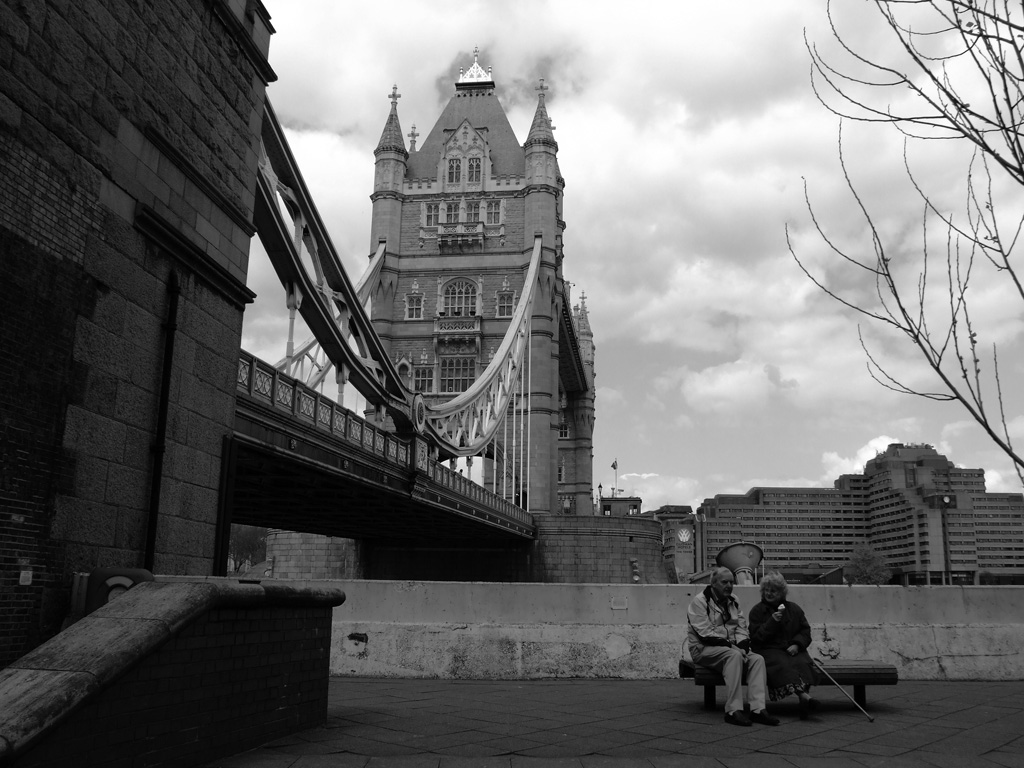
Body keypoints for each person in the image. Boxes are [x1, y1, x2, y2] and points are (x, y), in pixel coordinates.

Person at [686, 566, 780, 727]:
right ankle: (733, 710)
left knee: (757, 659)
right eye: (724, 582)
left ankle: (758, 709)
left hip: (730, 649)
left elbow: (741, 628)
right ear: (713, 583)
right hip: (702, 648)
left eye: (731, 582)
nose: (729, 586)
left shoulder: (734, 601)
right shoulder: (700, 601)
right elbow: (705, 634)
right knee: (733, 656)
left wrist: (743, 647)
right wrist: (733, 648)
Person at [749, 572, 819, 719]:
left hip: (791, 648)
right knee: (781, 664)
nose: (769, 593)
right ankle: (803, 696)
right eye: (766, 590)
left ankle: (803, 698)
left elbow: (805, 631)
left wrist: (797, 644)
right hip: (769, 650)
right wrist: (771, 622)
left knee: (803, 663)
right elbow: (756, 638)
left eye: (773, 591)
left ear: (781, 593)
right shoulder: (757, 611)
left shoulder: (794, 609)